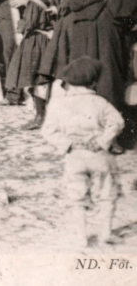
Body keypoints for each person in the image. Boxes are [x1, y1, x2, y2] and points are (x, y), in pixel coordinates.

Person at [41, 56, 124, 248]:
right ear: (93, 82)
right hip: (99, 156)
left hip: (75, 156)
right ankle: (105, 234)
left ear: (67, 83)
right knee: (107, 193)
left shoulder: (58, 104)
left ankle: (80, 237)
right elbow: (117, 122)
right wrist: (102, 141)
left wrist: (67, 144)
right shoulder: (99, 102)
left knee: (76, 196)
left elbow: (49, 131)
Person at [65, 0, 136, 112]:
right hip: (85, 35)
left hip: (111, 37)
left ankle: (110, 132)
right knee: (84, 80)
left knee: (109, 81)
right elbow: (73, 3)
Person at [5, 0, 56, 129]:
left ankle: (40, 116)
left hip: (35, 43)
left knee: (35, 78)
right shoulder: (48, 0)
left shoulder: (34, 3)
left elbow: (29, 23)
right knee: (44, 79)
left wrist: (20, 24)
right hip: (46, 40)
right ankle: (44, 114)